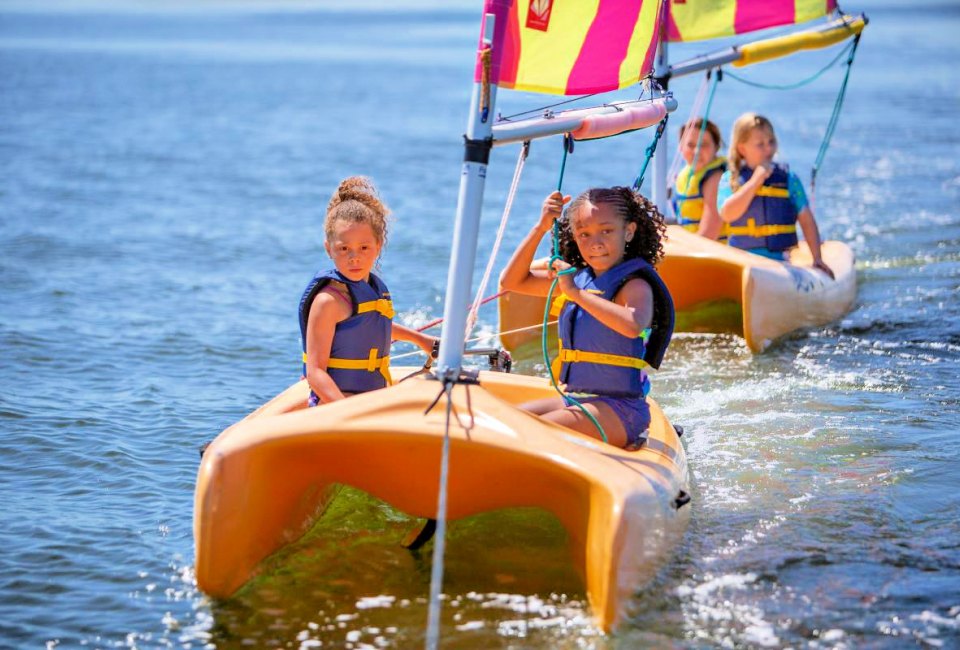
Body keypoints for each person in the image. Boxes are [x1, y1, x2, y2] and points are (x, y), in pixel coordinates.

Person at [499, 187, 674, 450]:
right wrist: (541, 227)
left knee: (529, 434)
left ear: (629, 231)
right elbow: (511, 281)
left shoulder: (635, 284)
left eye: (606, 231)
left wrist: (575, 293)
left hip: (621, 410)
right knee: (501, 422)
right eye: (584, 234)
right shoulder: (577, 279)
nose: (595, 243)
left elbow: (632, 324)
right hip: (576, 399)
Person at [298, 176, 437, 407]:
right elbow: (315, 373)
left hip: (374, 399)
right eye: (344, 249)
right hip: (336, 407)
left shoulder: (371, 289)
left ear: (378, 245)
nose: (355, 257)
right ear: (328, 249)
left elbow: (368, 325)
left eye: (364, 247)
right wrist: (347, 411)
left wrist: (419, 339)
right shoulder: (328, 302)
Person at [718, 112, 835, 278]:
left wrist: (817, 258)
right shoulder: (730, 179)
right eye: (760, 144)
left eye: (771, 142)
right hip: (740, 261)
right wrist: (755, 182)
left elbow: (807, 220)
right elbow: (727, 214)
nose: (769, 149)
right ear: (742, 148)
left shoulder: (789, 179)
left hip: (780, 262)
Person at [673, 118, 728, 241]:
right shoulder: (684, 176)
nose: (696, 151)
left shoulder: (715, 179)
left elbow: (709, 234)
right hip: (694, 248)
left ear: (716, 147)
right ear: (681, 147)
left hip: (714, 255)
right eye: (690, 145)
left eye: (704, 145)